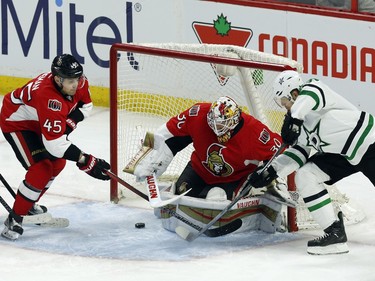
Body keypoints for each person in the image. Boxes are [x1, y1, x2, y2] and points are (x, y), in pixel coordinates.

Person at [249, 70, 375, 255]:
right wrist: (272, 171)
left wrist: (294, 119)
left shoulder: (313, 89)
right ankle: (334, 233)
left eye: (285, 102)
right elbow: (299, 153)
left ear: (294, 93)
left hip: (368, 143)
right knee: (306, 174)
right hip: (340, 155)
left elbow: (310, 96)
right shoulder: (300, 126)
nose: (285, 108)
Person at [0, 54, 111, 240]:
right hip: (17, 123)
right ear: (58, 79)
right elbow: (54, 145)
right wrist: (85, 160)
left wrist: (66, 125)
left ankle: (28, 204)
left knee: (58, 164)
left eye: (77, 78)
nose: (75, 84)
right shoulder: (47, 96)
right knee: (42, 169)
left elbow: (86, 106)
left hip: (39, 122)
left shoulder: (80, 82)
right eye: (70, 81)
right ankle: (15, 219)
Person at [130, 96, 290, 203]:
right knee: (181, 192)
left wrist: (269, 174)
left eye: (221, 126)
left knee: (216, 198)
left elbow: (283, 152)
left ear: (234, 122)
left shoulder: (255, 133)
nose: (215, 129)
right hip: (200, 168)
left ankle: (251, 193)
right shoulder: (197, 114)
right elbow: (163, 133)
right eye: (212, 123)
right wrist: (144, 157)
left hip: (232, 178)